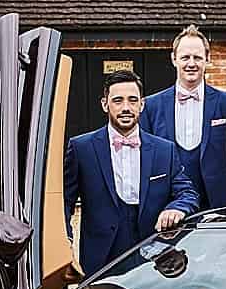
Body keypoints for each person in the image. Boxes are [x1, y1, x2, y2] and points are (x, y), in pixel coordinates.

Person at [63, 70, 199, 277]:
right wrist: (66, 244)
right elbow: (65, 201)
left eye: (132, 100)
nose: (126, 107)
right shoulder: (81, 148)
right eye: (118, 100)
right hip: (100, 256)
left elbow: (187, 193)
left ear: (141, 104)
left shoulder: (165, 150)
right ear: (104, 104)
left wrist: (176, 209)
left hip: (154, 253)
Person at [139, 24, 226, 209]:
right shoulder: (150, 106)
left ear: (207, 59)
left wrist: (218, 183)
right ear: (174, 59)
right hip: (167, 205)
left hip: (215, 205)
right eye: (185, 57)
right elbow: (146, 158)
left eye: (197, 57)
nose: (191, 63)